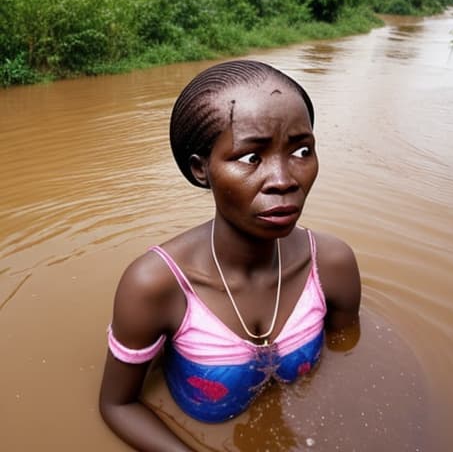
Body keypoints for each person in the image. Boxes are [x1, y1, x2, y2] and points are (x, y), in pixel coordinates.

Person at [99, 60, 361, 451]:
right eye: (250, 158)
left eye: (301, 150)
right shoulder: (156, 285)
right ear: (200, 170)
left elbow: (347, 355)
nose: (284, 180)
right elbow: (117, 404)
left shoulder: (332, 264)